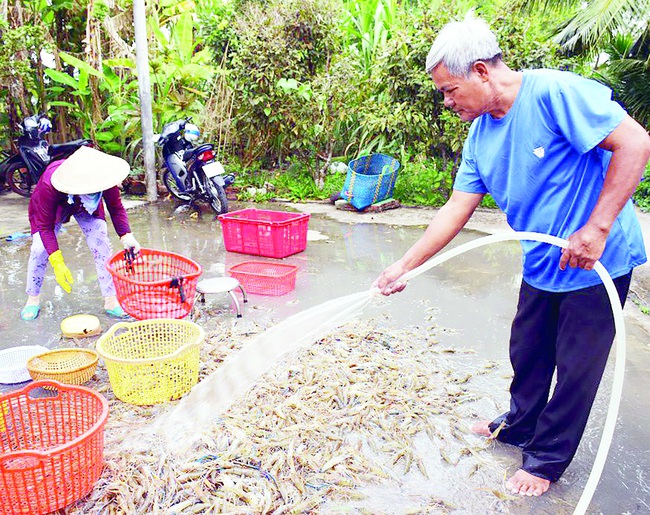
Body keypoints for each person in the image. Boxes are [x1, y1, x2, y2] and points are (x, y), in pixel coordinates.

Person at [373, 15, 650, 497]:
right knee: (528, 352)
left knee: (575, 369)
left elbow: (635, 141)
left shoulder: (555, 94)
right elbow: (455, 209)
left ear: (481, 71)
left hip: (595, 263)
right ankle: (520, 426)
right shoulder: (480, 136)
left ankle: (545, 461)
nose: (447, 101)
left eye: (450, 90)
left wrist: (597, 227)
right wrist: (404, 266)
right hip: (542, 260)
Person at [21, 146, 141, 321]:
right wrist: (57, 261)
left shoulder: (103, 178)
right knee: (39, 249)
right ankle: (32, 298)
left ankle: (110, 299)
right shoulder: (50, 183)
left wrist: (126, 235)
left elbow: (115, 208)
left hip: (87, 206)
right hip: (58, 205)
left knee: (101, 242)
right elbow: (45, 226)